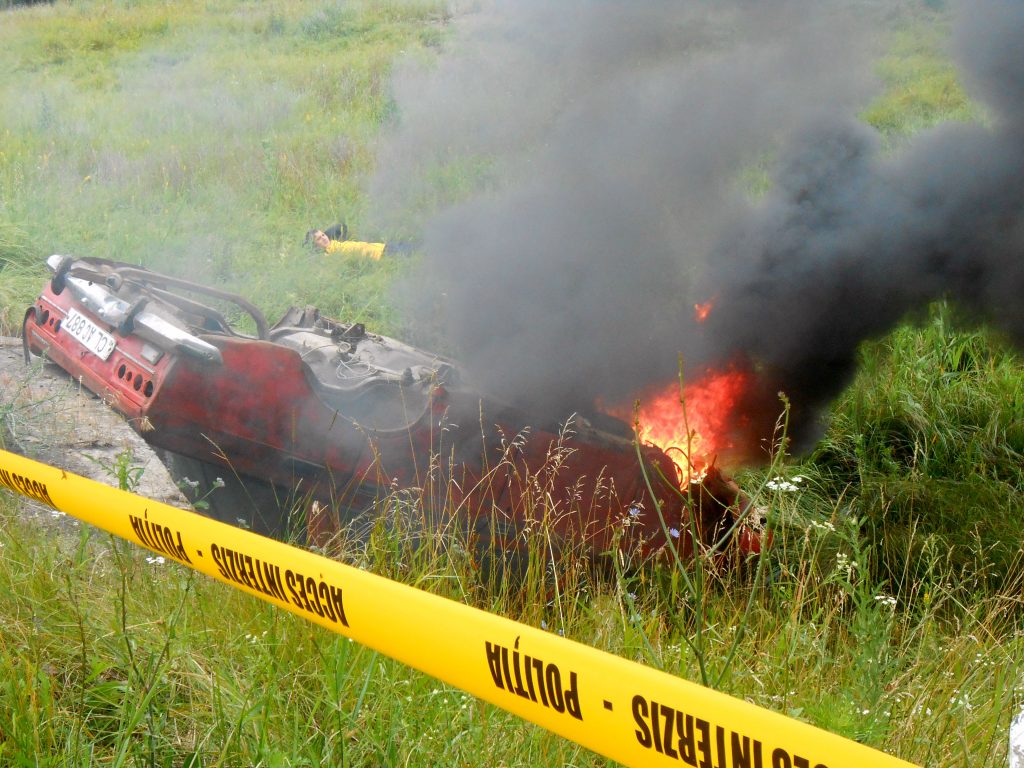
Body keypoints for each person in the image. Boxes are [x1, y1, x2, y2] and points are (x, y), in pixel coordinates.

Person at [305, 223, 386, 260]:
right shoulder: (327, 255)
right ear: (315, 245)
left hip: (380, 246)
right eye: (319, 239)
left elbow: (341, 226)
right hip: (379, 254)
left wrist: (326, 234)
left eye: (323, 235)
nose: (323, 238)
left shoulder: (334, 240)